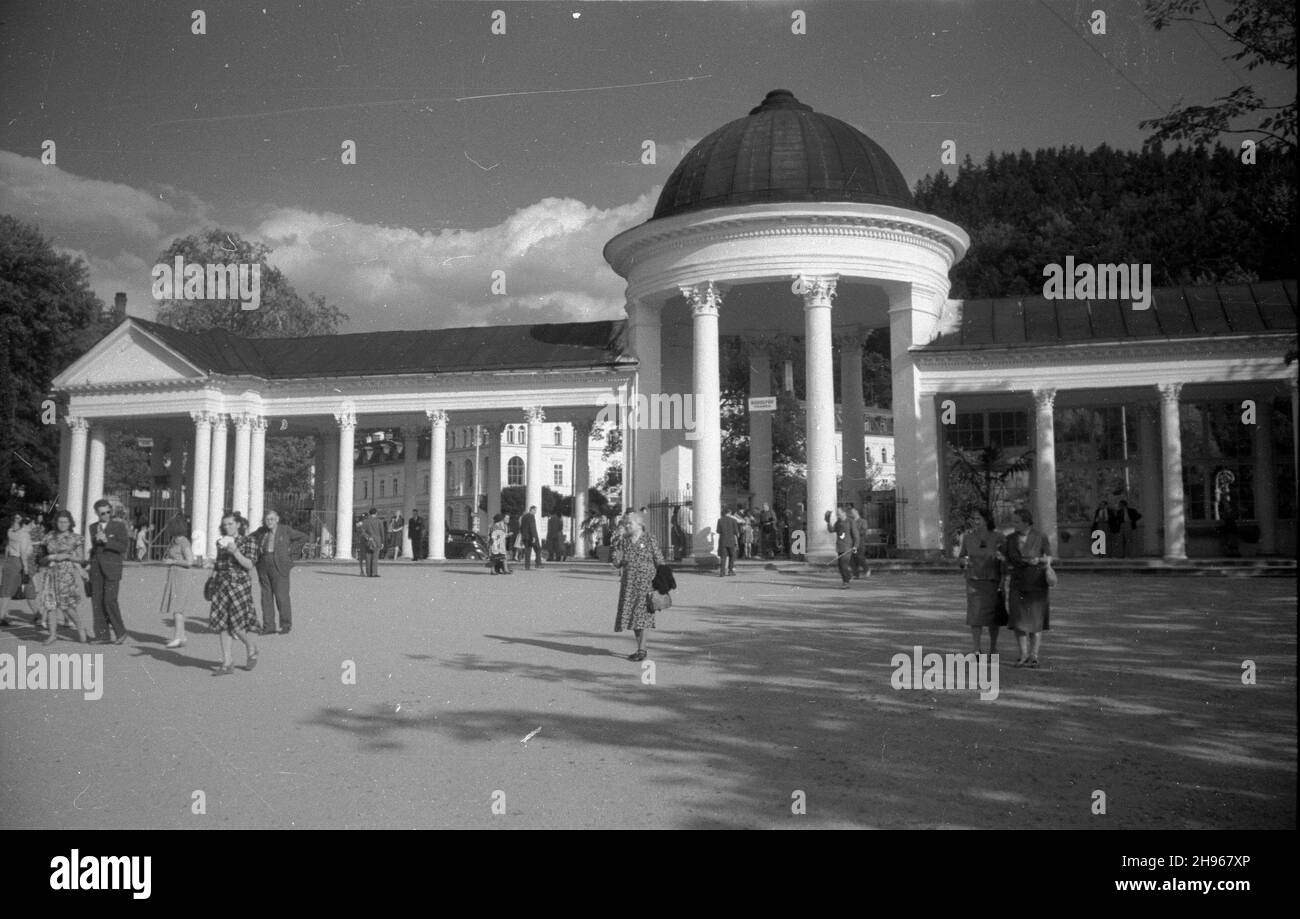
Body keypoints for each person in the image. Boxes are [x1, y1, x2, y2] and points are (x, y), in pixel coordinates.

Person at [207, 513, 261, 674]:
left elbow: (249, 564)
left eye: (230, 524)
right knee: (223, 625)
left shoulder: (249, 541)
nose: (227, 527)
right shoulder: (220, 542)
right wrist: (211, 578)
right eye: (225, 524)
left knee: (237, 626)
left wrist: (235, 551)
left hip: (239, 586)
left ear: (238, 525)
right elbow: (219, 564)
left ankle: (251, 647)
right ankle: (227, 663)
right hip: (221, 586)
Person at [612, 512, 665, 662]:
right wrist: (616, 555)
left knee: (643, 616)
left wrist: (663, 581)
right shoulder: (624, 541)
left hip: (646, 584)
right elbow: (617, 562)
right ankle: (640, 648)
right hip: (629, 585)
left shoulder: (649, 538)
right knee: (633, 617)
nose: (627, 526)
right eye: (626, 523)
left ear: (639, 524)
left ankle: (642, 650)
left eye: (630, 523)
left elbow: (659, 559)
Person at [1005, 507, 1052, 668]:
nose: (1013, 524)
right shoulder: (1010, 538)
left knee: (1035, 620)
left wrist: (1038, 560)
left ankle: (1034, 655)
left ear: (1026, 522)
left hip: (1036, 583)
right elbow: (1005, 558)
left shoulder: (1040, 536)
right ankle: (1023, 654)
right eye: (1013, 521)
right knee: (1018, 620)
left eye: (1017, 521)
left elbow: (1048, 557)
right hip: (1017, 583)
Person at [252, 509, 308, 635]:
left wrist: (291, 555)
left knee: (281, 597)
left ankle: (286, 625)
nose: (269, 522)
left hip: (280, 565)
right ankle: (269, 626)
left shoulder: (285, 530)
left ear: (277, 519)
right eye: (267, 519)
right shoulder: (261, 531)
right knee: (266, 597)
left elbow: (303, 537)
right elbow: (248, 540)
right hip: (263, 565)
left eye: (272, 519)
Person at [36, 510, 87, 644]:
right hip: (51, 574)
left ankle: (80, 628)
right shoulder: (48, 537)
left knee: (67, 606)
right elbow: (39, 559)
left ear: (70, 523)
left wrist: (68, 556)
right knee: (51, 605)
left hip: (66, 575)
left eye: (65, 521)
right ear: (56, 522)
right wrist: (52, 557)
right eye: (60, 521)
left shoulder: (76, 538)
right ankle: (53, 634)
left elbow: (82, 560)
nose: (62, 524)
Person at [959, 509, 1004, 656]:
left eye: (978, 518)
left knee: (993, 616)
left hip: (992, 580)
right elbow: (961, 557)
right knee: (975, 615)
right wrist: (962, 562)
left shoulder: (998, 537)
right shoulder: (967, 538)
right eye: (973, 518)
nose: (974, 521)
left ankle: (993, 647)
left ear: (987, 520)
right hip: (974, 580)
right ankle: (977, 648)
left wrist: (1001, 558)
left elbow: (1007, 558)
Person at [88, 499, 130, 643]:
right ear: (96, 513)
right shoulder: (92, 527)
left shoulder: (119, 526)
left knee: (109, 601)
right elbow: (94, 549)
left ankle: (121, 632)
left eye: (108, 512)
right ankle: (102, 636)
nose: (106, 515)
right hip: (96, 569)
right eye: (102, 513)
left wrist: (107, 541)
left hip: (112, 568)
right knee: (97, 602)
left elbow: (123, 547)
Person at [160, 528, 200, 648]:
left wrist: (173, 561)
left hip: (182, 575)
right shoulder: (175, 541)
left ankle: (178, 637)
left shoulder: (183, 542)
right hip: (175, 574)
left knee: (177, 608)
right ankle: (181, 636)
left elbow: (189, 561)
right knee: (178, 608)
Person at [1, 512, 34, 627]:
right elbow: (23, 553)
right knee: (28, 589)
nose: (33, 526)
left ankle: (2, 616)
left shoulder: (10, 531)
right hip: (19, 562)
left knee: (6, 591)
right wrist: (25, 568)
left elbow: (7, 548)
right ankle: (38, 615)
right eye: (31, 523)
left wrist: (5, 562)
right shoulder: (24, 535)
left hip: (9, 561)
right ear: (26, 523)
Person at [826, 507, 853, 588]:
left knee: (844, 565)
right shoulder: (838, 522)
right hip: (840, 546)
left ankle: (846, 582)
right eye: (837, 513)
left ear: (844, 513)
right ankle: (847, 578)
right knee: (841, 566)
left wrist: (856, 545)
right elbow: (832, 530)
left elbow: (855, 534)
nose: (837, 514)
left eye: (839, 512)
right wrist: (828, 522)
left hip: (848, 547)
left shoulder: (850, 521)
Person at [359, 508, 385, 577]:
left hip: (368, 541)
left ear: (369, 513)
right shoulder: (379, 521)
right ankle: (374, 573)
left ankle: (368, 573)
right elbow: (382, 532)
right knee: (375, 557)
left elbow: (362, 531)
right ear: (376, 513)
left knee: (368, 556)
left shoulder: (365, 521)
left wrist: (367, 537)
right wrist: (382, 542)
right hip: (377, 541)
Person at [715, 507, 739, 577]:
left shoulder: (720, 520)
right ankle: (730, 570)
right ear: (730, 513)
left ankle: (722, 572)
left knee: (723, 557)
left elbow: (718, 531)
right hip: (731, 540)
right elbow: (736, 532)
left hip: (723, 540)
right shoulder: (733, 520)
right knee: (732, 556)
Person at [849, 506, 871, 578]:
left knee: (860, 557)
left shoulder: (863, 521)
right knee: (852, 558)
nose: (851, 514)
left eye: (852, 512)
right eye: (850, 513)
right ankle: (855, 574)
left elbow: (863, 531)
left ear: (856, 512)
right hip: (852, 542)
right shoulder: (850, 522)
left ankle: (867, 569)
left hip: (860, 542)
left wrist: (855, 533)